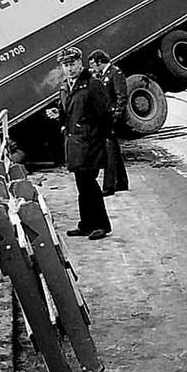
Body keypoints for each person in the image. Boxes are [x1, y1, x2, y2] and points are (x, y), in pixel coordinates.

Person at [46, 46, 113, 240]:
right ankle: (86, 224)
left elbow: (105, 114)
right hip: (75, 143)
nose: (69, 68)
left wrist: (98, 137)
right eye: (66, 65)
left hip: (90, 143)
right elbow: (68, 112)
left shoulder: (92, 84)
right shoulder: (66, 86)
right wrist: (59, 115)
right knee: (82, 186)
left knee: (90, 185)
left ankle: (101, 225)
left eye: (72, 63)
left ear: (80, 63)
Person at [89, 49, 129, 196]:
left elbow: (121, 97)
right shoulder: (104, 74)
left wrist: (117, 116)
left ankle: (109, 185)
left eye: (93, 64)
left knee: (109, 152)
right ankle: (122, 182)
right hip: (107, 117)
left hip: (112, 117)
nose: (92, 67)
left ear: (100, 62)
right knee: (114, 151)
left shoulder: (115, 73)